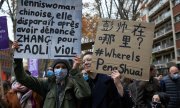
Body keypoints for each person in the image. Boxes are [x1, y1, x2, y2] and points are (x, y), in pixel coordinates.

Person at [12, 41, 91, 108]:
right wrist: (17, 58)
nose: (60, 69)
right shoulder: (46, 83)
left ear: (67, 70)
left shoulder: (73, 83)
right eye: (57, 67)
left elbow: (85, 94)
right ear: (54, 70)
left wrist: (75, 70)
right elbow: (22, 78)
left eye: (63, 67)